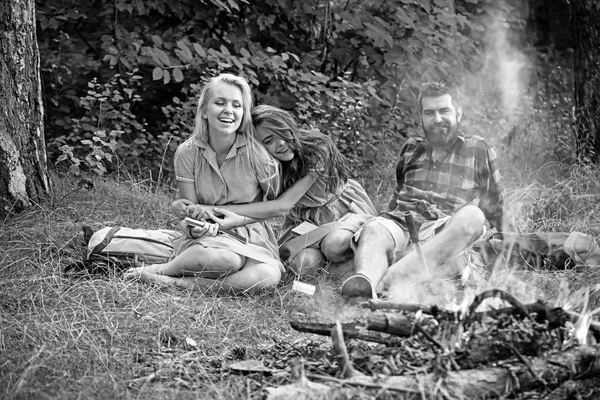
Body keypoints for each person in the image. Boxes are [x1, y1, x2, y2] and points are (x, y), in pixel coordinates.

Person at [341, 81, 507, 301]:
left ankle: (390, 278)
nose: (437, 119)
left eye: (444, 111)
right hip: (402, 223)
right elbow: (398, 197)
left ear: (458, 113)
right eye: (430, 113)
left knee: (474, 216)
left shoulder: (477, 148)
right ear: (421, 117)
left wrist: (512, 242)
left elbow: (495, 206)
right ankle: (364, 286)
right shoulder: (411, 148)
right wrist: (383, 230)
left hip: (442, 230)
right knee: (374, 228)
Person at [123, 73, 283, 293]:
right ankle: (164, 269)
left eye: (237, 105)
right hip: (211, 236)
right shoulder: (187, 152)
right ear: (205, 111)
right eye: (220, 103)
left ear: (243, 113)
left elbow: (275, 208)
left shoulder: (257, 154)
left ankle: (175, 282)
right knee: (225, 259)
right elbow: (189, 211)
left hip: (252, 234)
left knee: (268, 276)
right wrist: (193, 229)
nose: (229, 110)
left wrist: (235, 217)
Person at [199, 105, 377, 277]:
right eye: (269, 141)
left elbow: (282, 206)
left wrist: (218, 211)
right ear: (257, 148)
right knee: (303, 266)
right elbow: (259, 208)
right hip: (307, 221)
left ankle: (369, 263)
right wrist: (217, 215)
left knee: (334, 245)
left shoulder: (316, 148)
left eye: (283, 133)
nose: (281, 143)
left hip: (341, 212)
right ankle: (341, 271)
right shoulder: (266, 168)